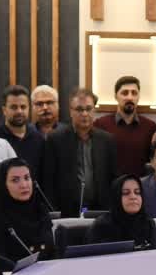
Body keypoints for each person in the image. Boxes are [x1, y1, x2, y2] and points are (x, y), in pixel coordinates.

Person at [44, 88, 119, 217]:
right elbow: (48, 180)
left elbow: (113, 178)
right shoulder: (55, 139)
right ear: (70, 112)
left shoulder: (107, 140)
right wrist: (53, 211)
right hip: (66, 210)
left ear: (94, 110)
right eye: (79, 109)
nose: (84, 114)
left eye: (89, 109)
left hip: (100, 210)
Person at [0, 158, 54, 271]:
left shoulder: (39, 209)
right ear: (2, 185)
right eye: (15, 180)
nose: (24, 185)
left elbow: (51, 250)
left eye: (27, 178)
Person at [93, 76, 156, 177]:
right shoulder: (100, 125)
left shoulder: (151, 127)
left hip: (140, 185)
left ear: (138, 97)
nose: (130, 97)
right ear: (116, 96)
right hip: (110, 185)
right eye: (124, 93)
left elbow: (154, 163)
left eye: (134, 93)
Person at [88, 175, 156, 249]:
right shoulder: (102, 226)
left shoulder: (148, 223)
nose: (133, 197)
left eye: (137, 192)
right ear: (117, 197)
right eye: (126, 193)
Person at [0, 85, 46, 179]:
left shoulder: (38, 138)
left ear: (29, 108)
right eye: (14, 107)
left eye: (23, 107)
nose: (19, 111)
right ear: (4, 110)